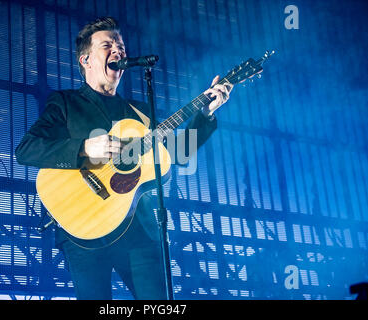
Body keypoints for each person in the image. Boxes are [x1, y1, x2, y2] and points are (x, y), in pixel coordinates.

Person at [15, 17, 233, 300]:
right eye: (108, 46)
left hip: (138, 229)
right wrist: (84, 148)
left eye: (121, 46)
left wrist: (206, 113)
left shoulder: (140, 112)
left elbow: (179, 153)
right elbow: (27, 149)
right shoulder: (65, 103)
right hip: (83, 228)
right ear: (86, 60)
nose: (118, 51)